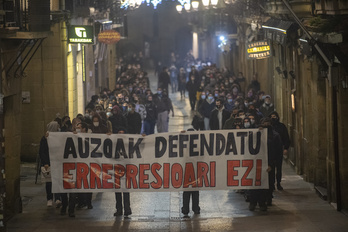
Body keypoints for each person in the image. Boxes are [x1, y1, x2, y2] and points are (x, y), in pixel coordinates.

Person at [248, 118, 282, 211]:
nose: (266, 124)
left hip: (268, 164)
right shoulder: (254, 134)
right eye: (264, 123)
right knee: (254, 183)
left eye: (268, 123)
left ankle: (263, 202)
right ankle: (253, 202)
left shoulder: (275, 136)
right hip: (255, 163)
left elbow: (277, 152)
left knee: (266, 184)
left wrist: (272, 164)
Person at [39, 120, 61, 207]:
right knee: (49, 181)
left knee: (58, 180)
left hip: (57, 162)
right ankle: (49, 198)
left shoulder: (59, 137)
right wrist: (45, 162)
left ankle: (58, 198)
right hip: (49, 162)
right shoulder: (45, 138)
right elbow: (42, 152)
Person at [269, 111, 291, 190]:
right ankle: (271, 184)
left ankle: (278, 183)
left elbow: (286, 138)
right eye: (271, 116)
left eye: (274, 116)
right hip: (270, 151)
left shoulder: (281, 126)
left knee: (279, 168)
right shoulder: (269, 127)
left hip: (278, 150)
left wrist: (286, 148)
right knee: (271, 168)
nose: (273, 118)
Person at [181, 128, 200, 217]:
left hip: (189, 169)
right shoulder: (198, 144)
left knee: (188, 191)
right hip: (193, 169)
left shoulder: (186, 144)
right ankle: (195, 208)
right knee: (194, 190)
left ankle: (186, 209)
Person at [114, 129, 132, 217]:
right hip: (116, 168)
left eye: (122, 132)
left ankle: (127, 209)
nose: (120, 134)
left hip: (125, 168)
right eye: (119, 132)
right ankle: (119, 209)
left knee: (125, 190)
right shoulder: (113, 142)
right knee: (117, 190)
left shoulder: (128, 142)